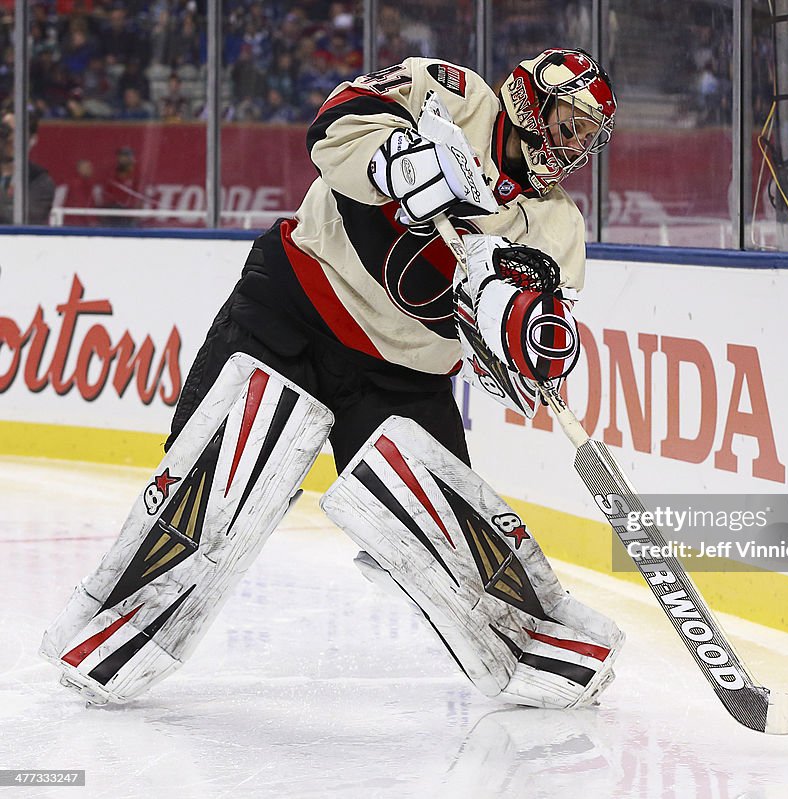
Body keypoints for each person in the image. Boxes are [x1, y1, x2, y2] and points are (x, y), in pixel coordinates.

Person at [41, 50, 624, 712]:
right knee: (211, 489)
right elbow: (336, 122)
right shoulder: (454, 95)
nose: (576, 145)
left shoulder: (559, 229)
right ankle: (106, 633)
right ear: (531, 102)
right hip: (294, 307)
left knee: (451, 536)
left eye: (588, 136)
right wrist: (395, 162)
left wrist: (517, 333)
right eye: (571, 123)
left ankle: (543, 651)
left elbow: (518, 376)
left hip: (402, 379)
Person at [0, 109, 56, 226]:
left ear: (32, 139)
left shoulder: (39, 179)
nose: (9, 138)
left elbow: (26, 220)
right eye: (5, 131)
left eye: (17, 133)